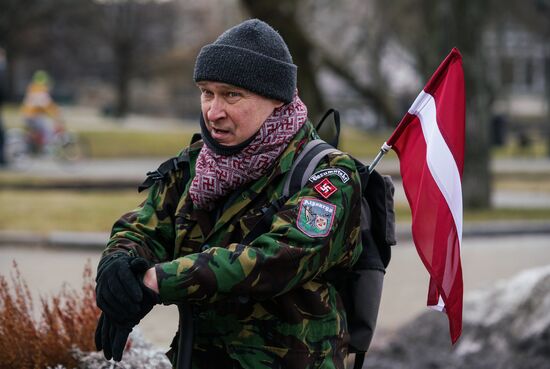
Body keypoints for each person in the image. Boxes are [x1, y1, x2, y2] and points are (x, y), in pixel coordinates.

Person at [94, 19, 362, 369]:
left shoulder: (328, 174)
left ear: (277, 100)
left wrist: (158, 280)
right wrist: (118, 268)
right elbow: (144, 227)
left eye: (231, 95)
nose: (213, 112)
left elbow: (277, 259)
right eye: (207, 92)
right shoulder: (196, 165)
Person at [20, 70, 61, 153]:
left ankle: (36, 146)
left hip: (27, 116)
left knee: (40, 128)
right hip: (32, 116)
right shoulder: (40, 90)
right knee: (48, 127)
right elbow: (46, 104)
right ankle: (47, 148)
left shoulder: (33, 89)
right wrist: (56, 113)